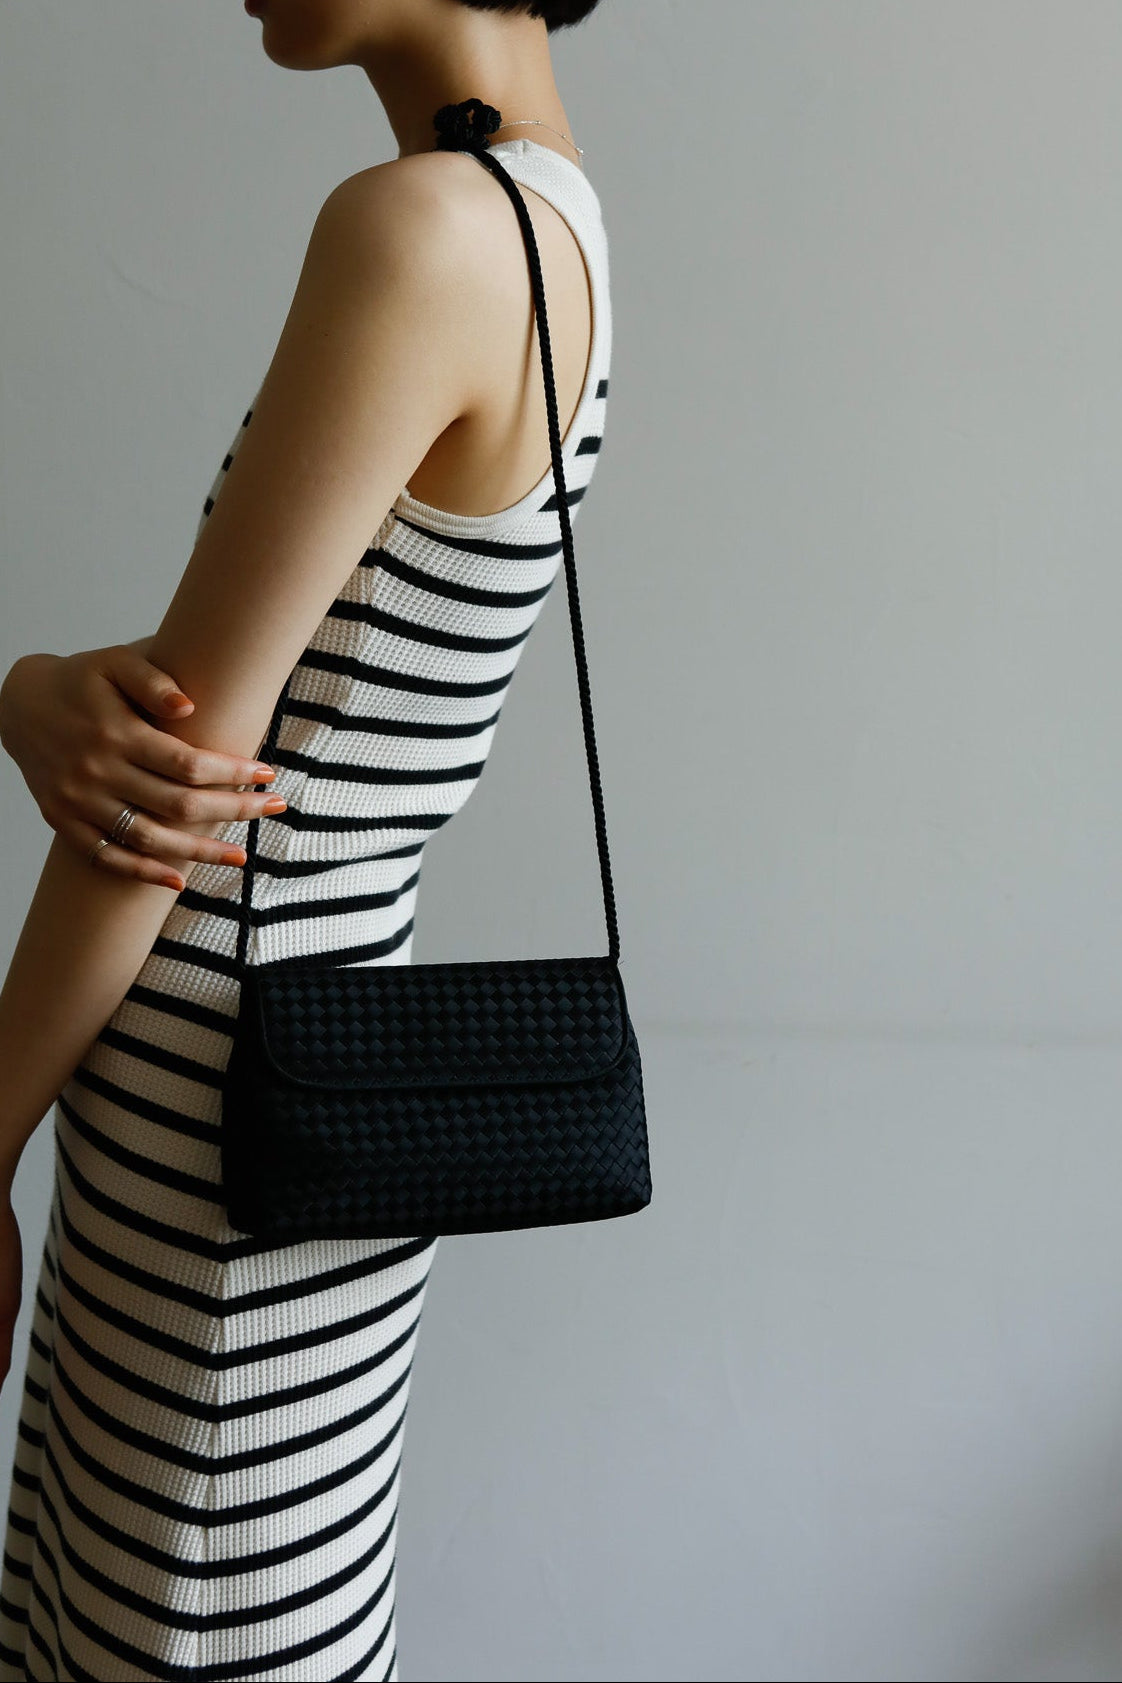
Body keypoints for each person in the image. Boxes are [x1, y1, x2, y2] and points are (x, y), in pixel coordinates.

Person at [0, 0, 611, 1675]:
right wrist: (35, 692)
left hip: (222, 1082)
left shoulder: (427, 226)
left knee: (171, 1619)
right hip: (298, 1056)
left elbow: (174, 789)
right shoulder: (549, 211)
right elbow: (211, 726)